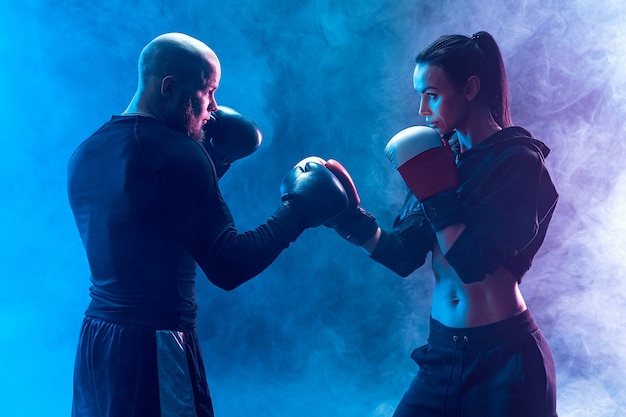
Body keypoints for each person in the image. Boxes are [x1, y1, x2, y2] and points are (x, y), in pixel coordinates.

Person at [67, 32, 349, 417]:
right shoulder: (180, 155)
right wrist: (298, 211)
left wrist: (214, 161)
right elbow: (228, 265)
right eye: (207, 91)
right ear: (169, 87)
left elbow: (150, 219)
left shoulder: (85, 152)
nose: (214, 108)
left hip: (97, 343)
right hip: (156, 344)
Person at [325, 31, 559, 416]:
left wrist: (435, 191)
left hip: (506, 360)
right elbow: (403, 256)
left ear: (470, 88)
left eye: (431, 94)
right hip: (444, 352)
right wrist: (345, 215)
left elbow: (471, 263)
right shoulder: (438, 157)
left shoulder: (519, 161)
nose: (422, 109)